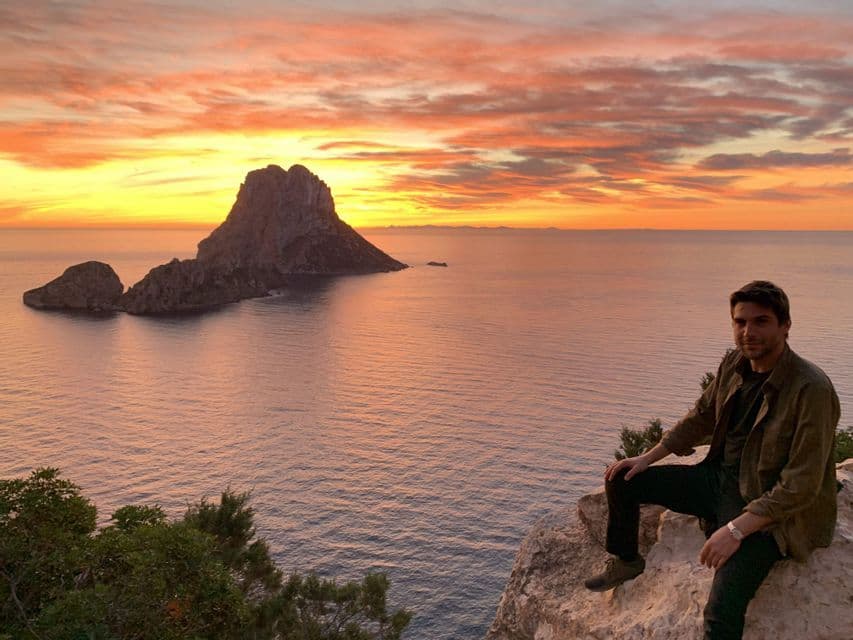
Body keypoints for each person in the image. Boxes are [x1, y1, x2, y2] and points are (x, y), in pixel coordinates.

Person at [584, 281, 840, 640]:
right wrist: (648, 456)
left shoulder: (810, 389)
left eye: (761, 321)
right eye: (740, 322)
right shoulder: (735, 363)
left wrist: (735, 530)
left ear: (785, 326)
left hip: (768, 508)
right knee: (622, 479)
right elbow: (702, 416)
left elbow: (801, 485)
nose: (748, 332)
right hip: (718, 479)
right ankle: (627, 561)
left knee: (720, 611)